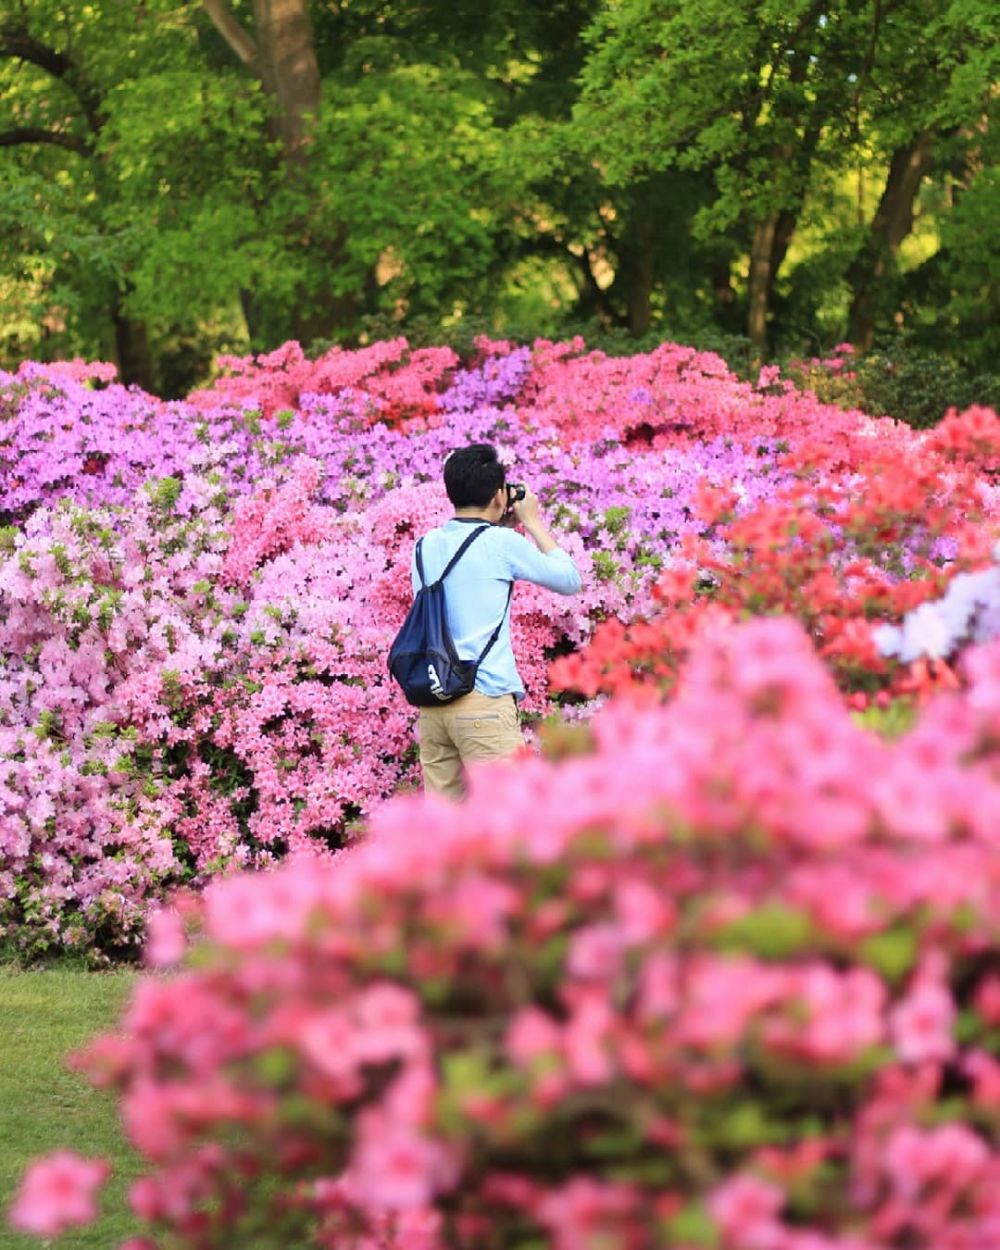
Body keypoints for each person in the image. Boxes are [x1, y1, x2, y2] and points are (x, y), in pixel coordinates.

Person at [411, 442, 582, 800]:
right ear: (498, 495)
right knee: (509, 823)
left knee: (443, 830)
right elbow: (569, 579)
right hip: (483, 699)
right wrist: (532, 521)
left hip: (434, 702)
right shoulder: (501, 543)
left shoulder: (424, 545)